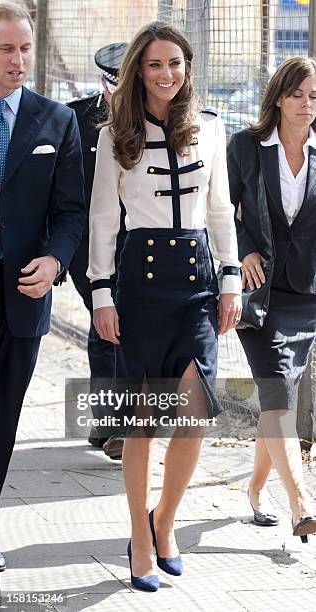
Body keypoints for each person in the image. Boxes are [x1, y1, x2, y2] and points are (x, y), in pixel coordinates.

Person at [88, 21, 241, 591]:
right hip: (141, 283)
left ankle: (165, 520)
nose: (166, 74)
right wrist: (101, 293)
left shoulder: (210, 128)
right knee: (142, 423)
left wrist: (231, 283)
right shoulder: (114, 135)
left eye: (175, 63)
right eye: (155, 64)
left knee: (196, 415)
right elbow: (103, 220)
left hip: (198, 282)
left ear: (188, 67)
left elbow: (222, 211)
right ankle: (138, 535)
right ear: (138, 71)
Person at [0, 2, 85, 571]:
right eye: (6, 49)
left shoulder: (56, 119)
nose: (19, 60)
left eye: (25, 48)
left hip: (22, 301)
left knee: (3, 420)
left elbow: (71, 212)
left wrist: (54, 263)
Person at [227, 56, 316, 542]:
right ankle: (301, 503)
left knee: (276, 400)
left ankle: (256, 489)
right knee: (279, 392)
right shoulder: (245, 146)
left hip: (307, 293)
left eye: (315, 97)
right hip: (259, 293)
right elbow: (221, 209)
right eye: (299, 94)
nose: (307, 105)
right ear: (279, 97)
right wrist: (244, 251)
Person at [67, 43, 127, 459]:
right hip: (88, 247)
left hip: (139, 244)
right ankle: (109, 425)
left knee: (123, 327)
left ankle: (112, 426)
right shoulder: (75, 117)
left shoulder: (152, 119)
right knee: (105, 322)